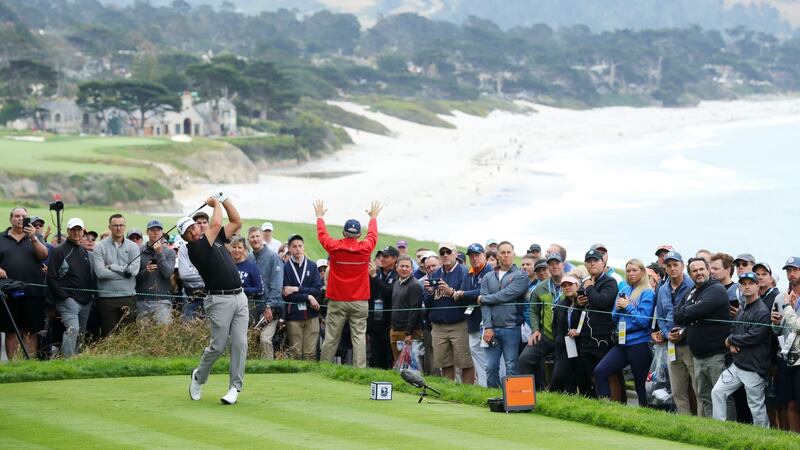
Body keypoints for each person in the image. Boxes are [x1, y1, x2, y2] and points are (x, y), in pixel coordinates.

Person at [183, 193, 247, 405]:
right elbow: (217, 220)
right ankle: (199, 377)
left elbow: (237, 221)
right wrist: (215, 204)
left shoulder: (216, 238)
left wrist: (226, 199)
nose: (195, 230)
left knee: (239, 343)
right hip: (219, 301)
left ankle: (234, 388)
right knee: (218, 346)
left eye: (194, 226)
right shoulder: (196, 248)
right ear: (186, 237)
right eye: (190, 230)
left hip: (240, 297)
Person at [316, 200, 380, 368]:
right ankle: (359, 371)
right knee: (359, 337)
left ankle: (324, 369)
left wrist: (320, 216)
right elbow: (373, 235)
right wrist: (373, 218)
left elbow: (322, 235)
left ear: (344, 233)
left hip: (337, 300)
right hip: (359, 300)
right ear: (358, 234)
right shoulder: (365, 248)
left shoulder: (335, 247)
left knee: (331, 337)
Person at [711, 272, 772, 427]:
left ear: (758, 286)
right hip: (737, 365)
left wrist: (731, 340)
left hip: (753, 367)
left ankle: (764, 437)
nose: (747, 286)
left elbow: (754, 337)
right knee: (717, 392)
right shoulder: (743, 308)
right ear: (740, 286)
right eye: (744, 283)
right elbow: (734, 330)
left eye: (751, 283)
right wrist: (732, 341)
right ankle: (719, 428)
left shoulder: (762, 311)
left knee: (756, 406)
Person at [674, 257, 731, 418]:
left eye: (701, 269)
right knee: (705, 397)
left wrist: (689, 310)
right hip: (698, 357)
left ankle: (730, 430)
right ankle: (710, 430)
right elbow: (676, 315)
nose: (698, 273)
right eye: (694, 270)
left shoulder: (716, 289)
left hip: (717, 356)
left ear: (708, 270)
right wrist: (690, 310)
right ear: (690, 274)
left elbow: (695, 311)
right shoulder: (691, 291)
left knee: (722, 397)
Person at [594, 259, 655, 406]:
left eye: (634, 270)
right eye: (628, 271)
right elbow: (614, 317)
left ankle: (646, 416)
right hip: (622, 341)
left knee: (640, 384)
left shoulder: (648, 292)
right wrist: (619, 308)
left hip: (639, 342)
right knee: (600, 371)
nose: (631, 273)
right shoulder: (624, 290)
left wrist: (628, 307)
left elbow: (644, 321)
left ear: (642, 271)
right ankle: (605, 408)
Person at [0, 207, 49, 358]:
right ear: (11, 219)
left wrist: (33, 237)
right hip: (8, 292)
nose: (20, 219)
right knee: (11, 330)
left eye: (23, 216)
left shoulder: (35, 237)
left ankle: (29, 365)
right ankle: (14, 367)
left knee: (31, 330)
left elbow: (43, 255)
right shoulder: (1, 237)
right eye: (17, 216)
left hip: (32, 292)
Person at [479, 241, 528, 388]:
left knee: (511, 366)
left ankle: (513, 401)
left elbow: (506, 295)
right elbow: (485, 306)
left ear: (513, 254)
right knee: (490, 367)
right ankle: (493, 398)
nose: (506, 255)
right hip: (491, 329)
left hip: (512, 328)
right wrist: (488, 327)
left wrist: (484, 298)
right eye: (503, 252)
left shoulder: (521, 275)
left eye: (509, 252)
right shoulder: (488, 276)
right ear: (497, 255)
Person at [653, 251, 697, 415]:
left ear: (682, 266)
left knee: (697, 387)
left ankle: (702, 424)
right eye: (669, 265)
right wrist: (665, 334)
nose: (672, 268)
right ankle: (685, 422)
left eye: (675, 265)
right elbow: (661, 316)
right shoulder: (663, 289)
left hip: (689, 343)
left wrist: (683, 332)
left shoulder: (692, 285)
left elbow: (695, 314)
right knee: (677, 390)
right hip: (671, 343)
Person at [46, 218, 95, 358]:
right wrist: (64, 297)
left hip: (85, 301)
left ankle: (76, 361)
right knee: (73, 329)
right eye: (73, 229)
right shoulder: (59, 250)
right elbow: (51, 277)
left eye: (79, 230)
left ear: (83, 231)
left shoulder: (84, 251)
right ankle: (67, 361)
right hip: (68, 301)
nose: (76, 232)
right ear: (68, 231)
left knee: (80, 333)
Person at [425, 242, 473, 383]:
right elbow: (428, 304)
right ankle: (449, 391)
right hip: (438, 325)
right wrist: (428, 293)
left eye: (448, 251)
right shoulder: (435, 273)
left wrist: (451, 292)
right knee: (444, 362)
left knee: (465, 362)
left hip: (459, 323)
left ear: (456, 254)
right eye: (442, 252)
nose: (445, 255)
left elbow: (471, 300)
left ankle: (468, 391)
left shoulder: (465, 272)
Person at [518, 252, 565, 389]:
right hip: (546, 335)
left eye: (557, 263)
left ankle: (561, 396)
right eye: (551, 264)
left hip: (565, 337)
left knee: (562, 371)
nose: (554, 266)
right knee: (525, 359)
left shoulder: (571, 283)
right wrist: (535, 330)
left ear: (563, 265)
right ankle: (533, 392)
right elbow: (533, 310)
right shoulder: (540, 288)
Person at [577, 249, 619, 396]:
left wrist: (589, 287)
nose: (592, 263)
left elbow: (602, 301)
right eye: (589, 261)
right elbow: (582, 308)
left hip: (604, 336)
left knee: (609, 374)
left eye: (595, 260)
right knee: (593, 375)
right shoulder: (585, 283)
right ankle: (602, 403)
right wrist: (579, 302)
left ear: (603, 263)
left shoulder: (609, 281)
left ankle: (616, 407)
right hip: (587, 337)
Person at [93, 214, 139, 336]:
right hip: (107, 298)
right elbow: (100, 273)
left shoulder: (133, 247)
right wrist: (125, 273)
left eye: (121, 225)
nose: (118, 228)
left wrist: (113, 267)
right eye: (115, 225)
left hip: (128, 296)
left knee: (128, 336)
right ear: (109, 227)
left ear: (125, 227)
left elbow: (134, 271)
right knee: (108, 335)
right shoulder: (99, 246)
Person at [454, 243, 493, 387]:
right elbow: (466, 291)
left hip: (486, 322)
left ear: (484, 255)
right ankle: (484, 387)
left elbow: (482, 292)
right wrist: (464, 294)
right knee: (477, 355)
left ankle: (490, 387)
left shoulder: (489, 270)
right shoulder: (469, 272)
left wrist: (463, 294)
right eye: (471, 256)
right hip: (472, 321)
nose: (474, 258)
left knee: (488, 358)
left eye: (477, 255)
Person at [550, 275, 592, 394]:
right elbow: (556, 327)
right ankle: (552, 402)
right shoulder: (561, 305)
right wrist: (558, 341)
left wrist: (579, 332)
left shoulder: (585, 302)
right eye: (564, 285)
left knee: (584, 382)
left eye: (570, 284)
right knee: (557, 379)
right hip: (566, 346)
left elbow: (590, 322)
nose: (567, 287)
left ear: (577, 285)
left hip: (583, 346)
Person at [247, 226, 284, 360]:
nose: (255, 239)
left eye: (257, 236)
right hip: (252, 308)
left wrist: (269, 306)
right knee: (251, 339)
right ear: (248, 240)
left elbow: (277, 285)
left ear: (262, 238)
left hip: (271, 308)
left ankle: (268, 368)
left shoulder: (273, 258)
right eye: (252, 237)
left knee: (265, 339)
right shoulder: (249, 258)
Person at [282, 234, 322, 361]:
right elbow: (287, 295)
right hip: (294, 315)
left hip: (312, 314)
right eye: (294, 246)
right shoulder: (285, 268)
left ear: (304, 247)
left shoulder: (312, 266)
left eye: (300, 246)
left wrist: (296, 289)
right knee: (296, 353)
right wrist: (308, 296)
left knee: (310, 353)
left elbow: (317, 291)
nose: (297, 249)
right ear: (289, 248)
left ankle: (310, 380)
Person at [135, 219, 176, 325]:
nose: (155, 232)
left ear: (162, 232)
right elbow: (134, 278)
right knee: (143, 336)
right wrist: (146, 271)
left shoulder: (169, 252)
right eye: (152, 230)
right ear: (147, 232)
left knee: (163, 336)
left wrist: (160, 254)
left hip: (162, 301)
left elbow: (168, 273)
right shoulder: (139, 252)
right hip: (142, 301)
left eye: (158, 230)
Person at [389, 255, 423, 362]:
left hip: (408, 333)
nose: (404, 269)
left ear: (412, 269)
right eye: (402, 266)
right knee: (398, 363)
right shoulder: (396, 283)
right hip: (395, 330)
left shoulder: (415, 285)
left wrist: (409, 333)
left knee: (410, 366)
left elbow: (415, 310)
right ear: (396, 267)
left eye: (407, 267)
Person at [368, 246, 397, 369]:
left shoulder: (397, 274)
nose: (382, 259)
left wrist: (374, 278)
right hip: (374, 322)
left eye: (385, 256)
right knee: (375, 357)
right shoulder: (376, 272)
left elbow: (389, 293)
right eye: (380, 256)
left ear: (395, 259)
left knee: (387, 357)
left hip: (388, 324)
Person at [178, 212, 209, 320]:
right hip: (190, 298)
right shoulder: (183, 249)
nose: (201, 225)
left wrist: (194, 270)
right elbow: (185, 275)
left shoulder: (212, 245)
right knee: (188, 329)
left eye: (204, 222)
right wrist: (206, 274)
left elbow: (217, 272)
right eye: (198, 223)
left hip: (210, 296)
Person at [229, 235, 263, 302]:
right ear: (230, 248)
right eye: (234, 247)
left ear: (244, 249)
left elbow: (259, 289)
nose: (236, 250)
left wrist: (241, 290)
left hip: (246, 304)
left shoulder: (252, 267)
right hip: (228, 303)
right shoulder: (226, 266)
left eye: (239, 247)